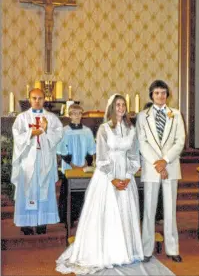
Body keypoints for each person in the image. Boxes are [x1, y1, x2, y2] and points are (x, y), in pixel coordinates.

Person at [56, 94, 175, 276]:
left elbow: (135, 156)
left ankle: (126, 250)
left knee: (124, 212)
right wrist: (112, 178)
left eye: (123, 105)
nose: (121, 108)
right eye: (117, 105)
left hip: (125, 173)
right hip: (106, 175)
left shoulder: (131, 129)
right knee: (108, 212)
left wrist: (128, 176)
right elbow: (102, 157)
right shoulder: (104, 129)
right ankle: (107, 252)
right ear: (112, 108)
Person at [137, 80, 185, 263]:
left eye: (163, 93)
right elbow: (142, 142)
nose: (160, 96)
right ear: (151, 95)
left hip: (170, 167)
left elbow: (180, 141)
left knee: (170, 209)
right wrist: (157, 163)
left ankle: (173, 249)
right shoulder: (143, 116)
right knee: (149, 209)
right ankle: (147, 249)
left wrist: (164, 161)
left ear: (167, 95)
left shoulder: (176, 115)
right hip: (151, 168)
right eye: (157, 93)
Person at [11, 88, 63, 235]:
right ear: (29, 99)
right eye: (34, 98)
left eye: (40, 98)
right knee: (27, 190)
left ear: (44, 99)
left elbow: (58, 134)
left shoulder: (51, 118)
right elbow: (17, 135)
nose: (37, 101)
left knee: (43, 189)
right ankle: (26, 223)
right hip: (28, 160)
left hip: (44, 159)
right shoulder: (22, 118)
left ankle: (42, 223)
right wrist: (31, 133)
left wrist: (46, 131)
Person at [57, 103, 96, 224]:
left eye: (79, 113)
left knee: (82, 192)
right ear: (70, 115)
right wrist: (71, 163)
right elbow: (61, 149)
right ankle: (68, 219)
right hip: (69, 166)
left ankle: (82, 218)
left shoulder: (87, 131)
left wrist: (87, 162)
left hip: (84, 166)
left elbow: (91, 149)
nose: (77, 116)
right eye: (74, 114)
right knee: (68, 192)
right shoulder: (64, 131)